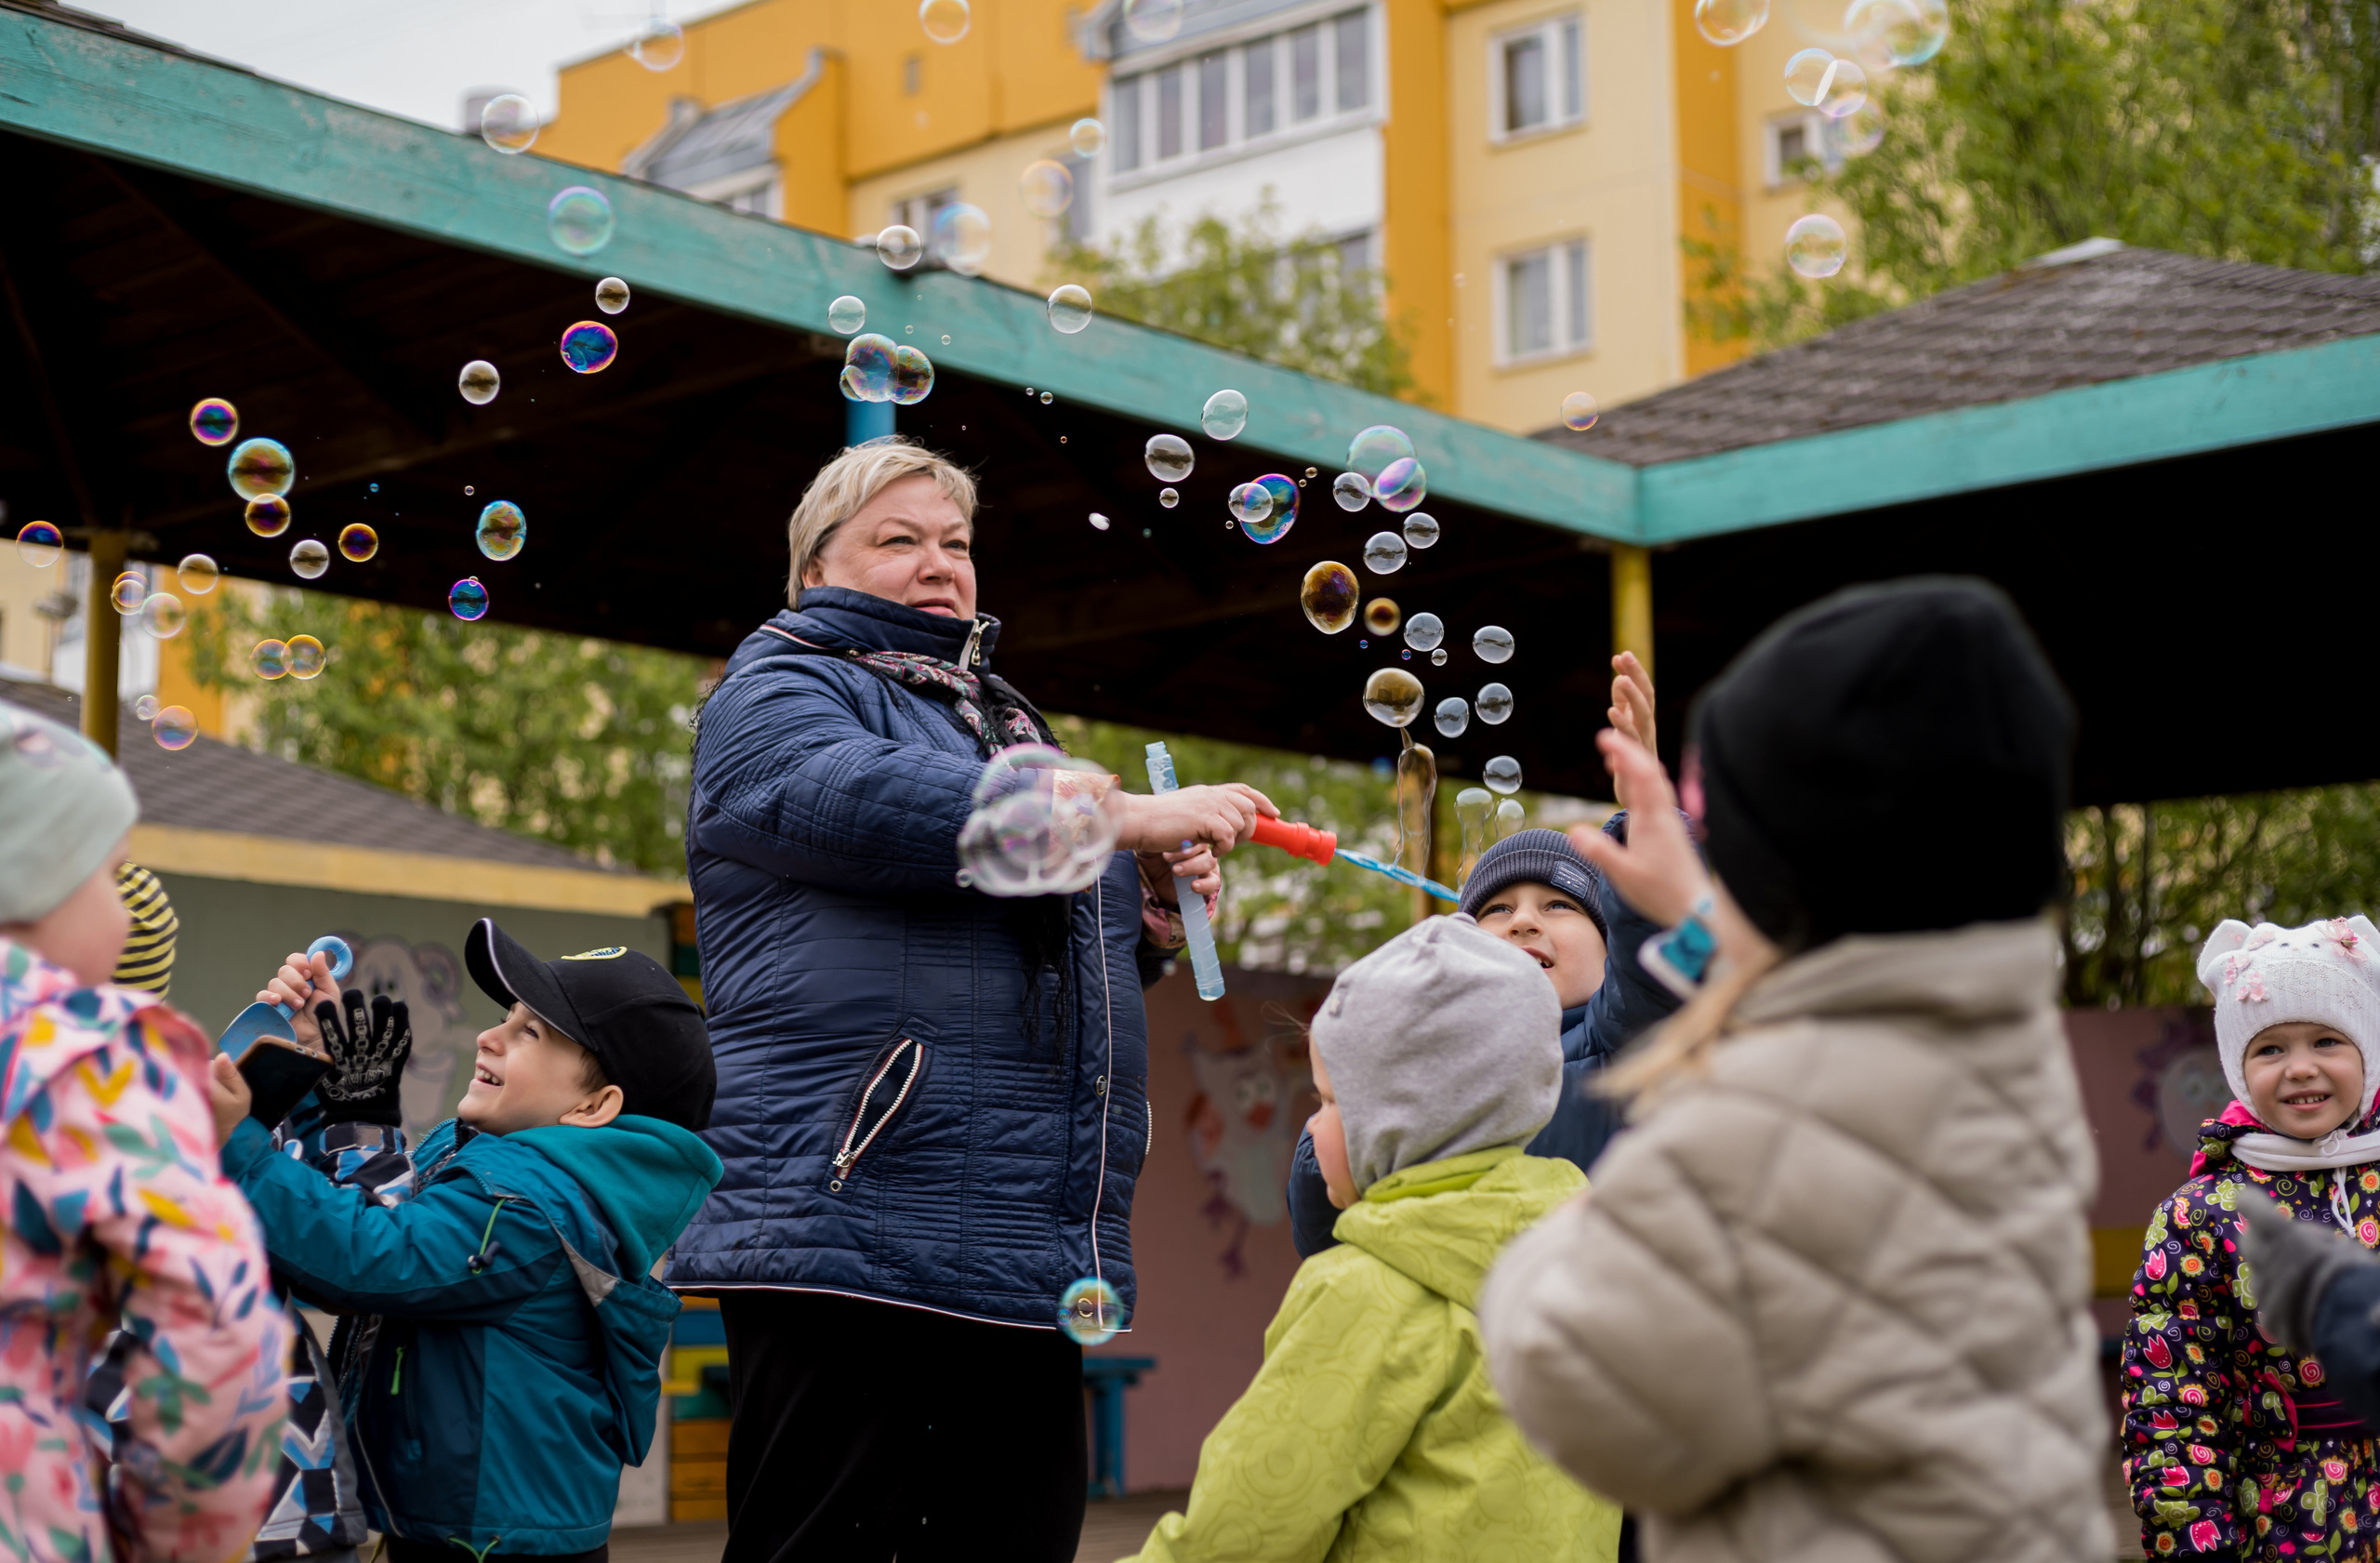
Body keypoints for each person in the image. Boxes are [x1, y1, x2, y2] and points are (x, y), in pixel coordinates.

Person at [677, 438, 1274, 1561]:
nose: (939, 563)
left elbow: (1034, 952)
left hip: (1018, 1245)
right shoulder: (776, 684)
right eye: (898, 540)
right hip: (852, 1225)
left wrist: (1137, 906)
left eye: (954, 542)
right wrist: (1107, 815)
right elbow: (859, 800)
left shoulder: (1005, 721)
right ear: (815, 569)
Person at [1478, 577, 2114, 1560]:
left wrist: (1547, 1241)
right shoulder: (1994, 1054)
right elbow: (1809, 998)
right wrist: (1698, 906)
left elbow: (1581, 1384)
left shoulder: (1768, 1127)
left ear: (1775, 877)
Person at [208, 918, 722, 1563]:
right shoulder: (484, 1162)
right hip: (452, 1527)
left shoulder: (529, 1208)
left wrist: (244, 1148)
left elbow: (372, 1256)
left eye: (528, 1032)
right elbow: (353, 1215)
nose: (490, 1035)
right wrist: (319, 1078)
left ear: (592, 1108)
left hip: (496, 1547)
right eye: (505, 1016)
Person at [1125, 916, 1621, 1563]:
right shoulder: (1586, 1264)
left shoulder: (1365, 1289)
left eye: (1329, 1101)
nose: (1312, 1123)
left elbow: (1248, 1526)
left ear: (1400, 1122)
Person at [0, 704, 290, 1563]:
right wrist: (175, 1541)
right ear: (35, 879)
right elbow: (213, 1330)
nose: (135, 910)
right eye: (114, 871)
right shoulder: (99, 1054)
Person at [1285, 654, 1681, 1257]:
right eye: (1496, 911)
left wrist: (1648, 822)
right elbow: (1324, 1230)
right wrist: (1346, 1106)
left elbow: (1657, 947)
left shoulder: (1623, 1040)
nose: (1523, 919)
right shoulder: (1430, 1063)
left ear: (1612, 947)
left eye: (1559, 907)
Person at [2123, 917, 2380, 1558]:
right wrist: (2192, 1540)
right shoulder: (2201, 1214)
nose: (2300, 1067)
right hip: (2280, 1527)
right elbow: (2172, 1408)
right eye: (2270, 1048)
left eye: (2327, 1040)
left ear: (2369, 1053)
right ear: (2238, 1068)